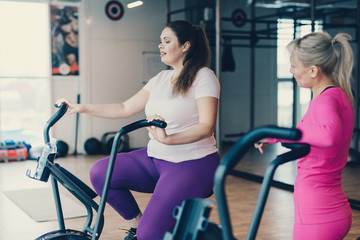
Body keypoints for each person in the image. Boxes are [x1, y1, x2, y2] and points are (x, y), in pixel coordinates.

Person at [56, 20, 220, 240]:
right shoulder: (161, 78)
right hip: (156, 158)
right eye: (160, 41)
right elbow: (124, 108)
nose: (160, 45)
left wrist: (169, 139)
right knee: (101, 173)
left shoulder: (204, 77)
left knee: (150, 236)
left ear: (185, 46)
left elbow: (206, 126)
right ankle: (138, 227)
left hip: (192, 164)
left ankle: (147, 233)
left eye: (167, 40)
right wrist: (80, 108)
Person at [255, 32, 354, 240]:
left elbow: (328, 135)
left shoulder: (324, 102)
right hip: (331, 209)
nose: (291, 70)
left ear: (312, 70)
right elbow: (314, 135)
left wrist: (276, 133)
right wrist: (274, 136)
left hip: (317, 215)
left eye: (294, 65)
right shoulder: (339, 95)